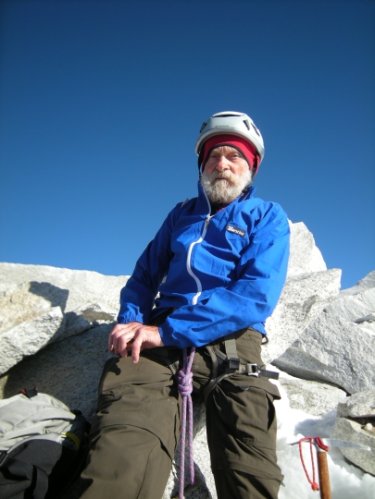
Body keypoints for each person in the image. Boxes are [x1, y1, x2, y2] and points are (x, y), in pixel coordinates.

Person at [77, 111, 290, 499]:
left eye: (234, 156)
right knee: (125, 444)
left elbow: (255, 294)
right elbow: (144, 276)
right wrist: (131, 322)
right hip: (162, 336)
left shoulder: (267, 216)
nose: (222, 164)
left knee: (249, 462)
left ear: (251, 166)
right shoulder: (181, 215)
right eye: (213, 156)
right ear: (201, 164)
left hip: (233, 340)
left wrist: (167, 331)